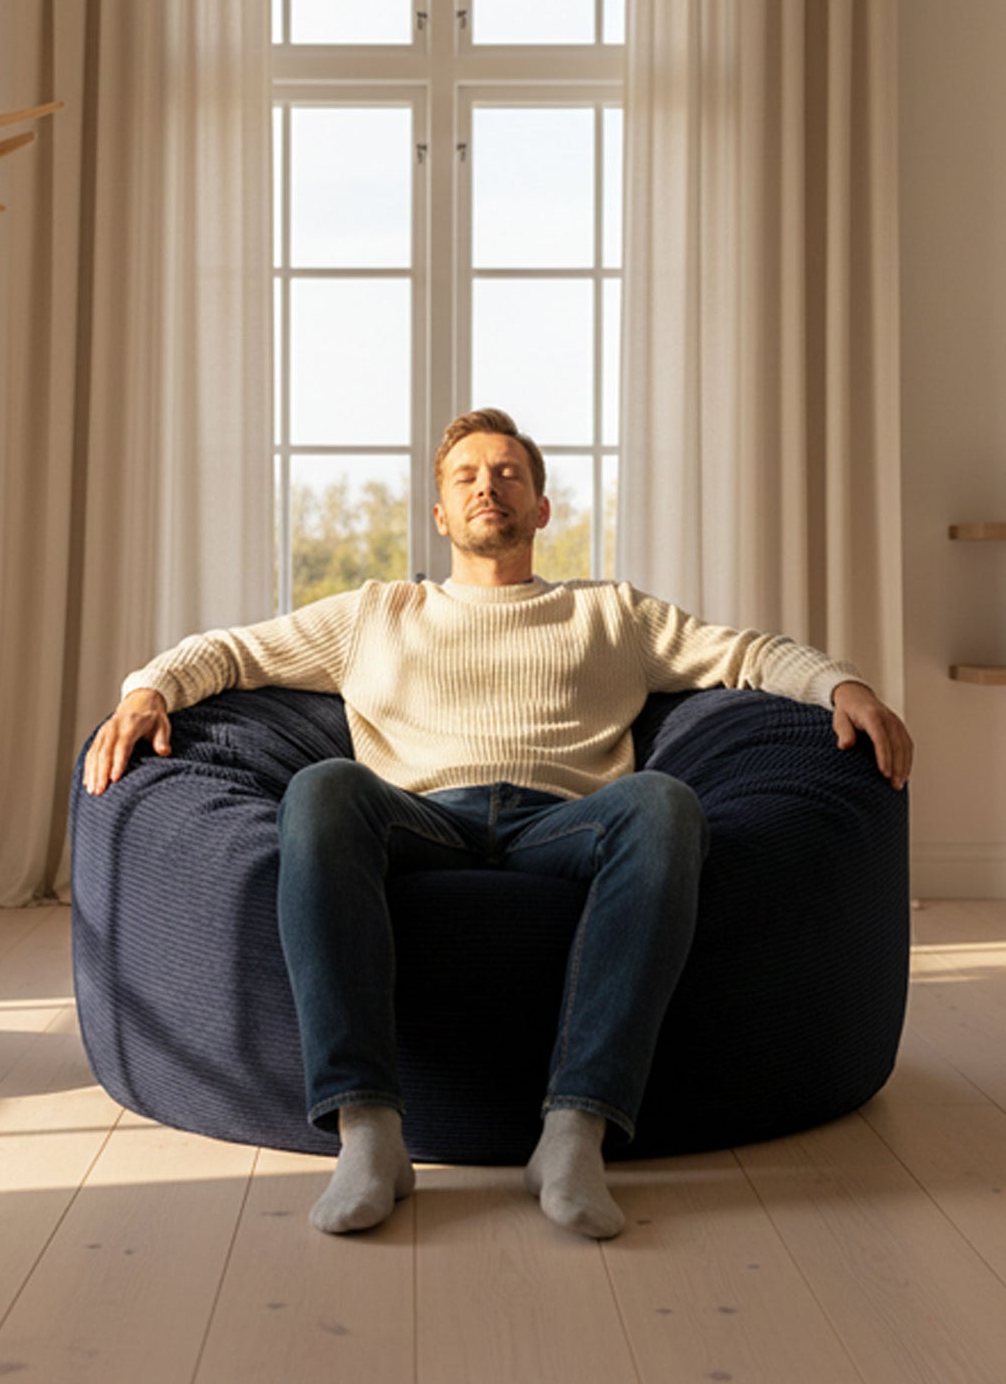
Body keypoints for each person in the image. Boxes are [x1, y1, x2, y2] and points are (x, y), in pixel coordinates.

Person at [83, 408, 913, 1240]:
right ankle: (367, 1128)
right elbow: (230, 652)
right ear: (440, 514)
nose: (489, 485)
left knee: (664, 803)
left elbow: (749, 652)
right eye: (467, 477)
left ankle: (575, 1128)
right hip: (420, 819)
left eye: (509, 473)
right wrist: (148, 692)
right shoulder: (375, 613)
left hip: (567, 824)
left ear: (542, 509)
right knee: (325, 788)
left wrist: (845, 688)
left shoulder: (613, 615)